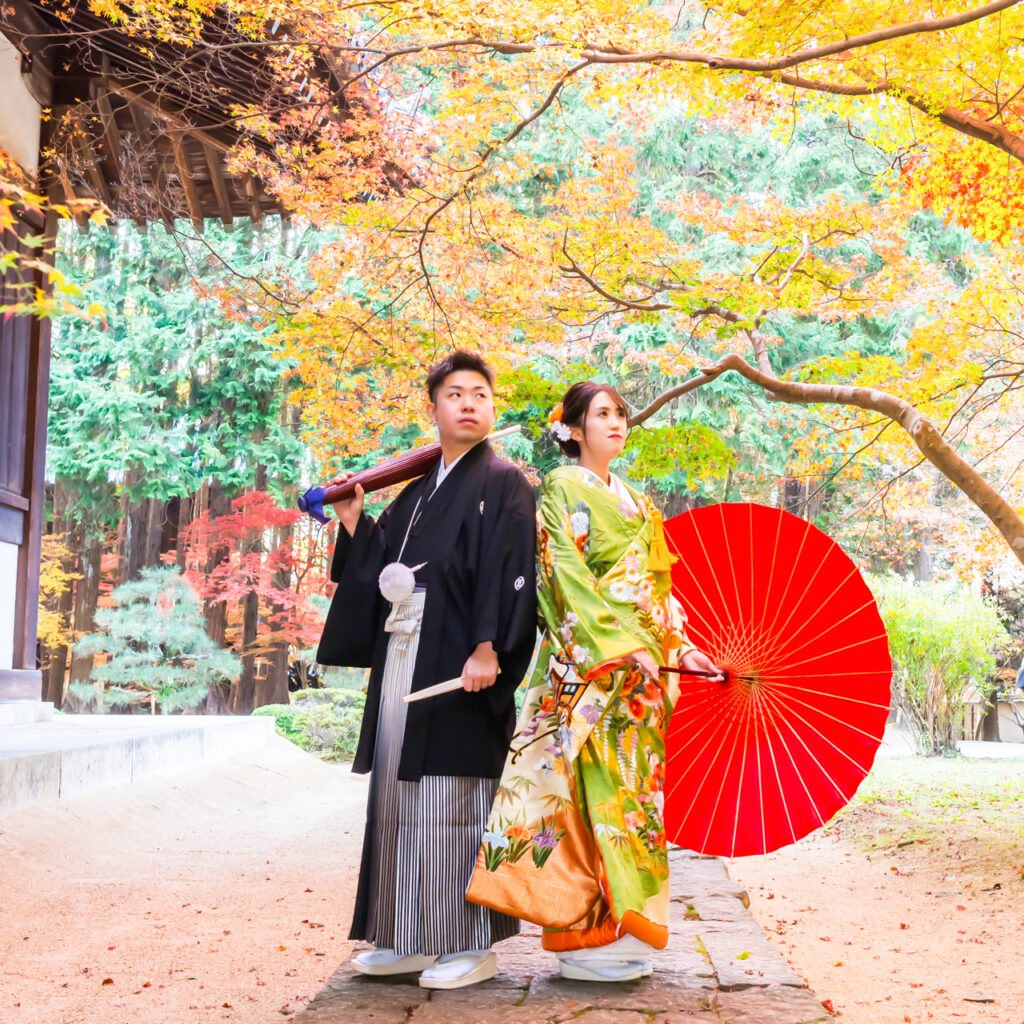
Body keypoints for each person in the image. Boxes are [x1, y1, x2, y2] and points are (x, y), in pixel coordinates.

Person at [467, 380, 722, 982]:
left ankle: (629, 930)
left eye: (621, 413)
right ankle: (589, 932)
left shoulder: (641, 504)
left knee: (635, 803)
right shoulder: (559, 488)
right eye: (602, 414)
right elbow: (562, 575)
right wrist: (616, 645)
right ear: (573, 429)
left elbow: (658, 597)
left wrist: (684, 651)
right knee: (587, 804)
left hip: (641, 684)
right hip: (594, 673)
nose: (616, 422)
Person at [317, 351, 537, 990]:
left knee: (455, 801)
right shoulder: (414, 494)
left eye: (480, 395)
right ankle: (406, 936)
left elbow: (514, 570)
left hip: (463, 662)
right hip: (403, 658)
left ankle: (468, 944)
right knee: (397, 797)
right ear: (434, 407)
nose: (469, 403)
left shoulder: (505, 483)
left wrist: (491, 647)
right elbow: (378, 568)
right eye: (455, 393)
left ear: (490, 409)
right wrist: (356, 526)